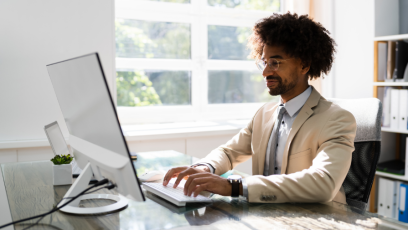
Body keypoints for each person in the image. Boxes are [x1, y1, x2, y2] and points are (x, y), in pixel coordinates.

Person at [163, 12, 356, 204]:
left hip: (317, 220)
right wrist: (205, 168)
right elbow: (229, 152)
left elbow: (323, 184)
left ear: (304, 65)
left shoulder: (337, 119)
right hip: (266, 217)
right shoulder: (265, 114)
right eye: (264, 62)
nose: (265, 72)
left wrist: (235, 186)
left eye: (275, 63)